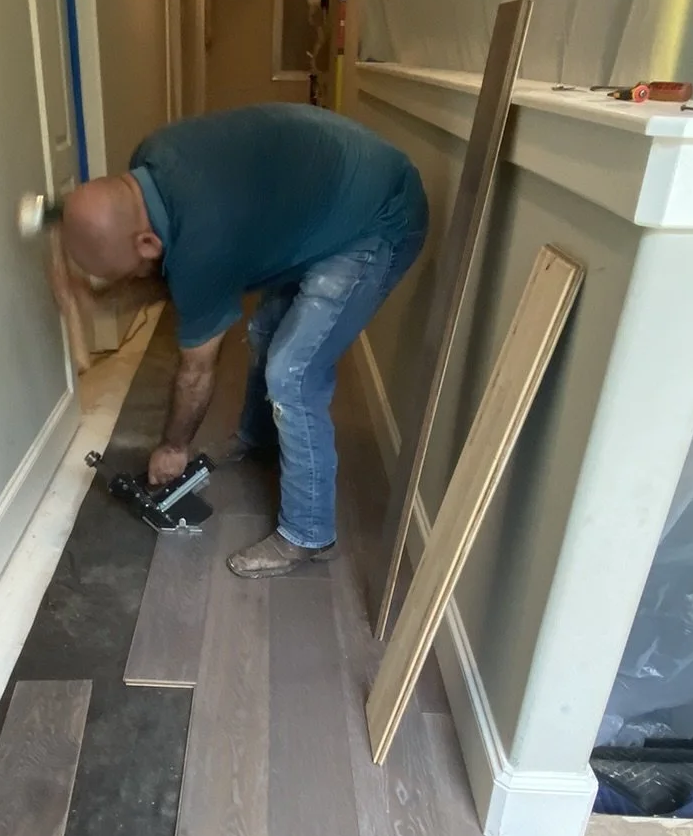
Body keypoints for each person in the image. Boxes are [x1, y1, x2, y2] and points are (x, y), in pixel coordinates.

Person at [59, 103, 428, 578]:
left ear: (147, 243)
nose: (140, 275)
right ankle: (259, 439)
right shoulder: (149, 166)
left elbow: (196, 369)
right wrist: (98, 296)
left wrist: (174, 447)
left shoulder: (202, 238)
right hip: (328, 194)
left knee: (292, 372)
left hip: (379, 213)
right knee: (264, 330)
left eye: (133, 268)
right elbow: (174, 277)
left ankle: (308, 535)